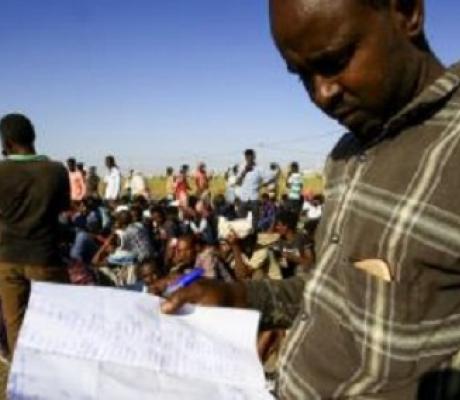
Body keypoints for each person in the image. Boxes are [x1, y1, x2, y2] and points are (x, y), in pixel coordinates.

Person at [158, 0, 460, 398]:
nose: (321, 94)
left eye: (334, 61)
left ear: (406, 12)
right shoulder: (347, 152)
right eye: (302, 76)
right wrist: (236, 295)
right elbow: (330, 291)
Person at [0, 113, 70, 356]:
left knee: (15, 321)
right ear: (33, 137)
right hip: (45, 256)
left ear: (6, 144)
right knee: (57, 317)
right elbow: (62, 208)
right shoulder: (56, 171)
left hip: (7, 258)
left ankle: (23, 372)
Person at [236, 149, 273, 230]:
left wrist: (263, 185)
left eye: (250, 156)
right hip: (243, 198)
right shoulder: (241, 167)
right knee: (241, 221)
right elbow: (238, 182)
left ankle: (253, 236)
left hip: (254, 198)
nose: (248, 158)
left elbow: (271, 177)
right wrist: (244, 171)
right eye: (247, 157)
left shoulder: (259, 168)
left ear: (254, 157)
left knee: (255, 221)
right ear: (245, 157)